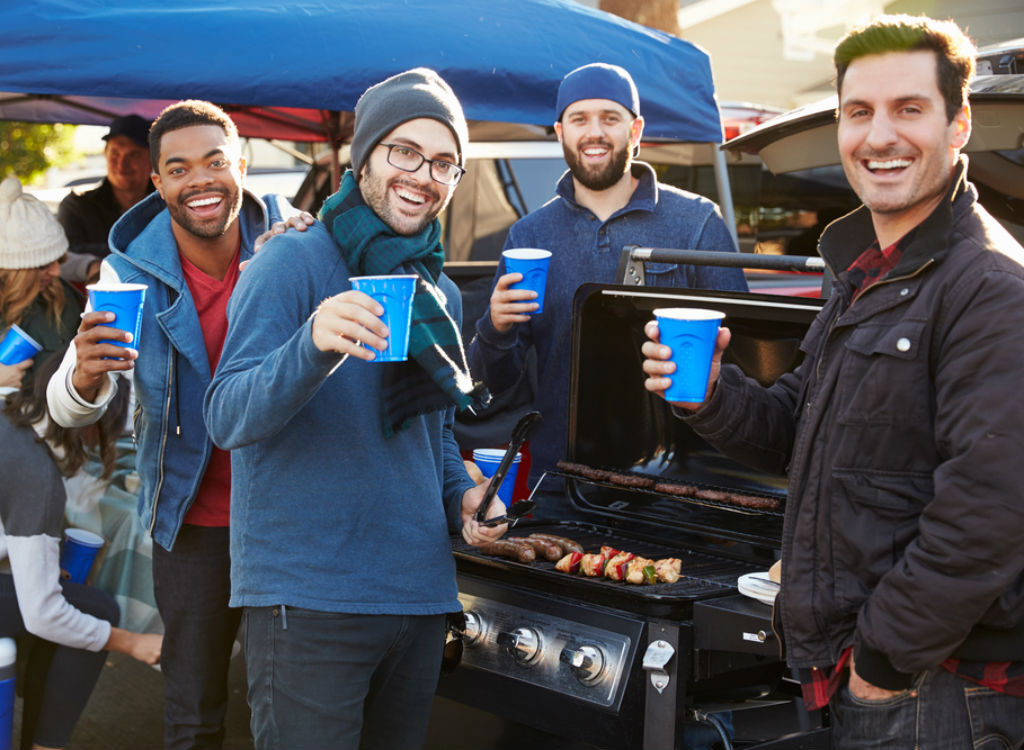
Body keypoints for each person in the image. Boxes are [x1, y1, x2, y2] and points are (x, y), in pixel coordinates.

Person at [642, 15, 1024, 747]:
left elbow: (990, 512)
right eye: (859, 111)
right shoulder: (865, 275)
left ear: (959, 124)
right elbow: (798, 429)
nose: (879, 136)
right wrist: (710, 395)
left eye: (908, 108)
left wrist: (880, 662)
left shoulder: (988, 288)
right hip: (869, 677)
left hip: (939, 692)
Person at [204, 67, 507, 749]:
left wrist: (463, 499)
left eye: (444, 163)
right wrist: (312, 343)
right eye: (405, 151)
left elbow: (431, 438)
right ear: (364, 156)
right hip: (310, 600)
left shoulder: (438, 293)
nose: (424, 175)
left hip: (420, 598)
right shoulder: (292, 262)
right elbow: (226, 417)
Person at [46, 100, 295, 749]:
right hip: (193, 521)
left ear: (241, 165)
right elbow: (69, 407)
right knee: (193, 706)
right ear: (157, 183)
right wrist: (86, 375)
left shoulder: (290, 247)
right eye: (179, 169)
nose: (200, 179)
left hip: (290, 519)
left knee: (294, 710)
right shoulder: (128, 272)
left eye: (215, 161)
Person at [467, 63, 748, 520]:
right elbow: (492, 388)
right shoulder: (529, 235)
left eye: (610, 118)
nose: (594, 132)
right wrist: (495, 328)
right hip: (560, 485)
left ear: (635, 130)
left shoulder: (697, 223)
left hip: (678, 490)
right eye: (579, 119)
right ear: (561, 132)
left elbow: (742, 362)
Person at [0, 347, 161, 750]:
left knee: (69, 599)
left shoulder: (7, 412)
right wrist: (131, 642)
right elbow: (43, 615)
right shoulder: (36, 474)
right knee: (94, 610)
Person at [0, 176, 83, 392]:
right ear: (10, 270)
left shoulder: (60, 298)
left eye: (58, 260)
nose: (56, 272)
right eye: (43, 265)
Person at [57, 114, 155, 284]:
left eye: (133, 154)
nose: (122, 163)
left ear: (153, 160)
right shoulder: (76, 205)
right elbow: (65, 253)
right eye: (115, 153)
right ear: (105, 153)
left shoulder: (168, 206)